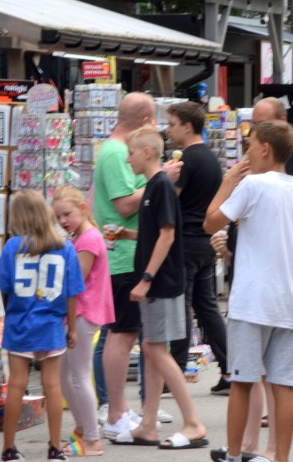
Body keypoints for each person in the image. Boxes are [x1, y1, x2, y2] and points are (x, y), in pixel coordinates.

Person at [204, 119, 293, 462]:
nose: (247, 153)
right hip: (289, 300)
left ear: (265, 149)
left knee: (242, 381)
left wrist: (227, 183)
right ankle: (281, 457)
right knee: (283, 384)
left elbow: (211, 221)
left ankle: (236, 453)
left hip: (252, 300)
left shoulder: (252, 185)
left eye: (250, 145)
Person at [110, 126, 208, 449]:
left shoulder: (160, 185)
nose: (127, 158)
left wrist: (146, 279)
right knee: (153, 350)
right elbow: (158, 233)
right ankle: (148, 424)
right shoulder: (155, 186)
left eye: (132, 153)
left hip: (161, 282)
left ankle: (193, 423)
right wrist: (128, 236)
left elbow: (168, 234)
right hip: (159, 281)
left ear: (147, 153)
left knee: (154, 350)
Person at [92, 92, 181, 438]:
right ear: (146, 123)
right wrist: (160, 177)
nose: (132, 159)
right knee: (122, 334)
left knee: (138, 336)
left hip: (127, 252)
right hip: (123, 260)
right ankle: (115, 410)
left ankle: (138, 410)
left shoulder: (115, 150)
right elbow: (124, 204)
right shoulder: (116, 153)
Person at [0, 190, 86, 462]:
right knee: (52, 386)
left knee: (16, 385)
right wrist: (71, 327)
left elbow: (5, 286)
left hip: (19, 324)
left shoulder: (12, 246)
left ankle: (9, 448)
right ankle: (55, 447)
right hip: (51, 325)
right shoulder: (65, 247)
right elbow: (72, 292)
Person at [165, 101, 228, 395]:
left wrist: (162, 180)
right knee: (206, 307)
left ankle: (174, 374)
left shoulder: (186, 161)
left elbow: (171, 198)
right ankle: (230, 369)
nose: (168, 129)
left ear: (187, 127)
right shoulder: (212, 159)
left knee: (181, 309)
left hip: (185, 243)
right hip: (205, 241)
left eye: (172, 123)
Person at [52, 185, 115, 457]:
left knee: (77, 375)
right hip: (79, 313)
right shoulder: (83, 237)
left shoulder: (88, 239)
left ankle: (91, 437)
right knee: (66, 375)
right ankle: (83, 430)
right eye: (59, 217)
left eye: (67, 214)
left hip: (82, 313)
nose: (63, 221)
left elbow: (76, 280)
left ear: (83, 208)